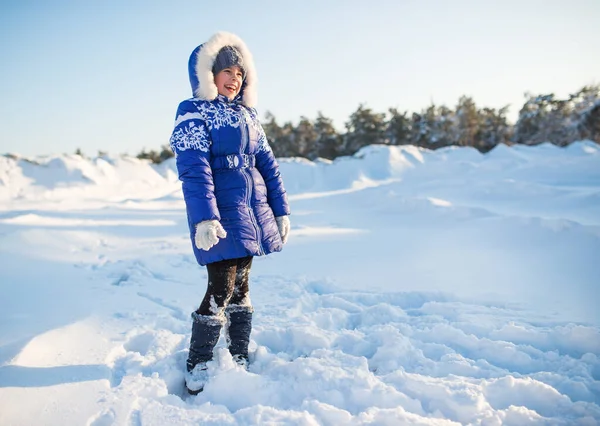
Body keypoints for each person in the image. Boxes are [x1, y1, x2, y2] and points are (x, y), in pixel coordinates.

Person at [169, 31, 291, 395]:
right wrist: (206, 217)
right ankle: (199, 362)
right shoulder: (192, 111)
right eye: (227, 71)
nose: (235, 79)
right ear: (208, 75)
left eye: (240, 73)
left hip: (251, 214)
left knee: (242, 287)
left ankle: (238, 353)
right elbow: (194, 169)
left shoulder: (249, 116)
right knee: (220, 287)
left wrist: (281, 211)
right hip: (220, 215)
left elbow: (268, 165)